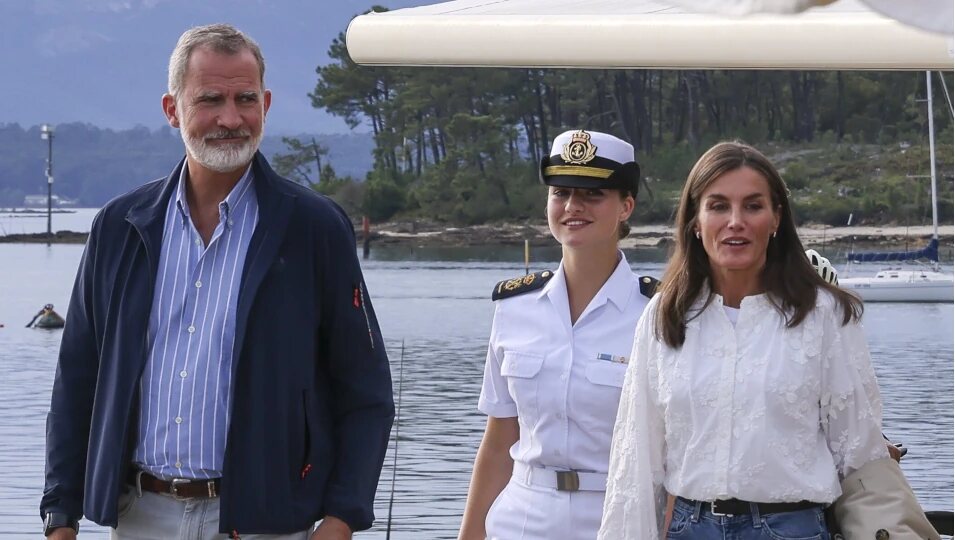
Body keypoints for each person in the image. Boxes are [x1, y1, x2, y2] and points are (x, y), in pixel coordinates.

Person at [40, 24, 394, 540]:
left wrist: (341, 519)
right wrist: (60, 514)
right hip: (141, 515)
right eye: (210, 99)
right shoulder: (120, 227)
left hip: (267, 521)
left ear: (266, 104)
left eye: (245, 99)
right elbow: (77, 378)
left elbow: (366, 391)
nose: (231, 118)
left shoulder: (314, 229)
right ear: (172, 109)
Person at [598, 141, 889, 539]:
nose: (735, 221)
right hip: (689, 528)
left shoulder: (825, 316)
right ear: (695, 222)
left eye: (753, 206)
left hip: (794, 528)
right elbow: (636, 458)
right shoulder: (663, 315)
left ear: (775, 219)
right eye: (718, 206)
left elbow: (861, 456)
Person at [457, 129, 654, 540]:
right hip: (520, 518)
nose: (572, 206)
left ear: (626, 206)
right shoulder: (514, 308)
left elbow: (672, 452)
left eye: (592, 194)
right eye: (560, 192)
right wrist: (469, 534)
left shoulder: (657, 313)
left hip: (618, 518)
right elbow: (498, 442)